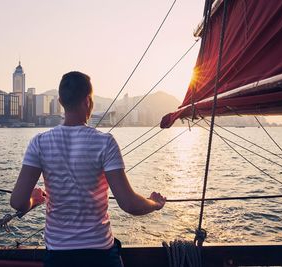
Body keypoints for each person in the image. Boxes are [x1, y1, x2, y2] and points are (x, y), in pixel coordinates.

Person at [10, 71, 166, 267]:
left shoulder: (39, 142)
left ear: (60, 101)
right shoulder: (105, 143)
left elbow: (17, 202)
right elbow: (129, 204)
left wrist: (32, 199)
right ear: (88, 101)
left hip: (58, 257)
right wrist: (154, 203)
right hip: (99, 255)